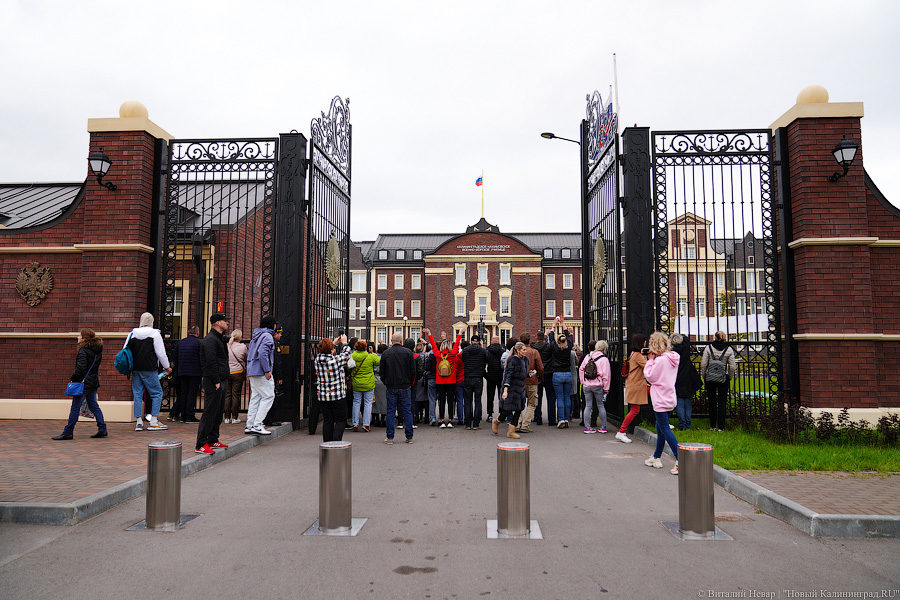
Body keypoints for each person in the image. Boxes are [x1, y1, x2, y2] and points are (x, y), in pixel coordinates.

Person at [52, 329, 107, 440]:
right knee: (94, 405)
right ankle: (102, 429)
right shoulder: (97, 350)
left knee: (75, 407)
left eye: (80, 336)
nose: (78, 337)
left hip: (83, 383)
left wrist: (73, 378)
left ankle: (68, 432)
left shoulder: (83, 351)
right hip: (93, 381)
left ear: (84, 338)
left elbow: (81, 368)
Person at [643, 332, 680, 475]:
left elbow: (650, 376)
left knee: (664, 428)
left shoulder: (660, 361)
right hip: (670, 396)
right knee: (660, 428)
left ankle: (680, 458)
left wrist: (650, 361)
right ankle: (656, 457)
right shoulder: (673, 358)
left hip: (660, 397)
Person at [127, 312, 171, 431]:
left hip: (135, 368)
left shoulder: (132, 334)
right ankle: (153, 421)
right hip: (149, 368)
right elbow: (161, 353)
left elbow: (125, 350)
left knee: (137, 394)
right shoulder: (155, 334)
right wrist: (167, 367)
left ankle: (139, 422)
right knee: (157, 393)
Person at [196, 313, 230, 455]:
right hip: (214, 381)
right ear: (217, 323)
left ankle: (212, 439)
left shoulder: (218, 338)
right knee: (210, 412)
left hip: (221, 379)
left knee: (218, 412)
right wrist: (216, 380)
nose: (227, 323)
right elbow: (210, 361)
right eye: (224, 321)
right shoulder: (210, 339)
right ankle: (201, 444)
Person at [313, 334, 352, 442]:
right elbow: (347, 354)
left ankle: (327, 444)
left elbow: (323, 352)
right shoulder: (335, 360)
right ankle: (336, 443)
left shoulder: (317, 360)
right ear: (331, 350)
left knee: (328, 421)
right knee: (341, 420)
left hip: (323, 396)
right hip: (337, 395)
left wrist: (333, 343)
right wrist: (344, 343)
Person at [380, 332, 416, 444]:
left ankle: (390, 437)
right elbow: (413, 370)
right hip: (405, 385)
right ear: (401, 341)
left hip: (391, 386)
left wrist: (386, 382)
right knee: (407, 411)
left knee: (390, 411)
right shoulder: (408, 353)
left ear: (391, 341)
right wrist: (409, 382)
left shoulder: (386, 353)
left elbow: (382, 372)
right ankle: (409, 436)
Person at [245, 316, 278, 436]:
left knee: (256, 397)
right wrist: (267, 370)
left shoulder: (256, 336)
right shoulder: (267, 336)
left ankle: (250, 424)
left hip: (252, 370)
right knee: (269, 396)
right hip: (261, 371)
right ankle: (257, 424)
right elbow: (263, 353)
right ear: (272, 325)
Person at [701, 330, 738, 432]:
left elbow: (703, 364)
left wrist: (704, 376)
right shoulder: (729, 349)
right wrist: (729, 377)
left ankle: (712, 426)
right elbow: (732, 366)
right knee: (722, 402)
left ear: (715, 338)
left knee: (712, 402)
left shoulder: (708, 348)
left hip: (710, 378)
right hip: (723, 377)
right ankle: (721, 427)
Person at [425, 328, 461, 428]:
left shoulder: (438, 354)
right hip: (451, 381)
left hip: (440, 381)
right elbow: (457, 345)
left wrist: (429, 334)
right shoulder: (452, 354)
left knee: (441, 401)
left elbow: (433, 345)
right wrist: (460, 333)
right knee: (450, 401)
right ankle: (450, 420)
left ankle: (441, 420)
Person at [616, 333, 649, 443]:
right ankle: (621, 431)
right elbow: (649, 367)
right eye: (644, 341)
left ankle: (622, 431)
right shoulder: (638, 355)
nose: (646, 342)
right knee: (635, 410)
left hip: (635, 384)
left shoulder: (633, 353)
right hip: (637, 385)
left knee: (656, 397)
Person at [494, 341, 529, 439]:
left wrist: (530, 374)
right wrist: (505, 390)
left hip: (520, 388)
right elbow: (508, 375)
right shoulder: (512, 360)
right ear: (517, 350)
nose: (525, 351)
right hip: (512, 388)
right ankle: (497, 421)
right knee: (507, 410)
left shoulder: (525, 360)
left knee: (519, 409)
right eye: (523, 350)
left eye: (525, 349)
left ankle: (511, 432)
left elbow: (523, 374)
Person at [547, 318, 575, 428]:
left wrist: (554, 325)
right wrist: (563, 324)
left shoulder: (555, 348)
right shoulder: (568, 349)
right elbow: (569, 338)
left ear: (558, 341)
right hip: (568, 374)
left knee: (559, 397)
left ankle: (561, 419)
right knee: (567, 397)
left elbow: (550, 338)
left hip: (557, 374)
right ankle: (567, 418)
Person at [170, 326, 201, 423]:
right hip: (195, 372)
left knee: (184, 393)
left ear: (188, 332)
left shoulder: (180, 343)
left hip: (182, 371)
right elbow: (202, 358)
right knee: (192, 394)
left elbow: (174, 357)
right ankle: (189, 415)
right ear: (197, 333)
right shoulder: (199, 343)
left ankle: (183, 415)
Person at [579, 340, 611, 434]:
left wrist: (583, 382)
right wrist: (606, 388)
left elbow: (581, 369)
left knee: (588, 406)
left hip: (587, 385)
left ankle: (587, 427)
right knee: (600, 405)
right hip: (598, 385)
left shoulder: (588, 356)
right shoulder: (604, 359)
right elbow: (606, 375)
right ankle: (603, 427)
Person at [672, 333, 702, 430]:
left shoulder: (672, 350)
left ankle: (682, 424)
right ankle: (688, 424)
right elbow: (687, 340)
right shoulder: (685, 347)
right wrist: (682, 336)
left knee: (679, 402)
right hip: (688, 376)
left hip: (677, 377)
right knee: (688, 402)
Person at [515, 332, 544, 434]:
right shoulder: (534, 352)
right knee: (532, 404)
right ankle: (525, 425)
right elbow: (540, 367)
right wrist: (539, 377)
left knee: (519, 403)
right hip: (532, 381)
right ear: (529, 340)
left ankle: (517, 423)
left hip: (520, 381)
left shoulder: (517, 352)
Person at [350, 339, 380, 432]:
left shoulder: (353, 356)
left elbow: (349, 367)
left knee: (356, 402)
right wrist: (373, 353)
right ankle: (366, 424)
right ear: (366, 348)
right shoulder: (370, 356)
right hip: (368, 383)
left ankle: (355, 423)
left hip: (356, 383)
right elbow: (378, 362)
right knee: (368, 403)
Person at [461, 334, 488, 429]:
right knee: (478, 401)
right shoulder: (483, 351)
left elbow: (463, 360)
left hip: (468, 377)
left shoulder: (465, 350)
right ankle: (476, 424)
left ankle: (468, 424)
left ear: (471, 341)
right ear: (479, 342)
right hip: (478, 378)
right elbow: (486, 361)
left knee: (467, 401)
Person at [532, 330, 555, 426]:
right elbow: (553, 344)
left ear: (536, 338)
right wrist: (550, 333)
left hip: (538, 374)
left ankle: (538, 418)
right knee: (550, 397)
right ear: (545, 338)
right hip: (548, 372)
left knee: (538, 396)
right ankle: (551, 419)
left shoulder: (533, 348)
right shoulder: (549, 347)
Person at [224, 329, 247, 424]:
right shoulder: (243, 347)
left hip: (227, 372)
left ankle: (226, 417)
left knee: (227, 395)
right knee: (236, 395)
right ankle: (234, 417)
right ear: (240, 337)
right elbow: (246, 358)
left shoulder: (226, 346)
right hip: (238, 373)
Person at [484, 336, 505, 422]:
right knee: (501, 396)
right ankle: (501, 413)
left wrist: (486, 375)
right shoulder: (502, 351)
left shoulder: (488, 351)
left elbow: (483, 364)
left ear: (491, 342)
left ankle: (490, 414)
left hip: (491, 375)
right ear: (499, 342)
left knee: (490, 396)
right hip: (500, 376)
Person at [424, 344, 438, 425]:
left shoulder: (430, 356)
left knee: (432, 399)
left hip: (431, 378)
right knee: (441, 399)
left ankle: (432, 417)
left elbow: (427, 368)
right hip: (440, 379)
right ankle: (441, 418)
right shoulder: (441, 356)